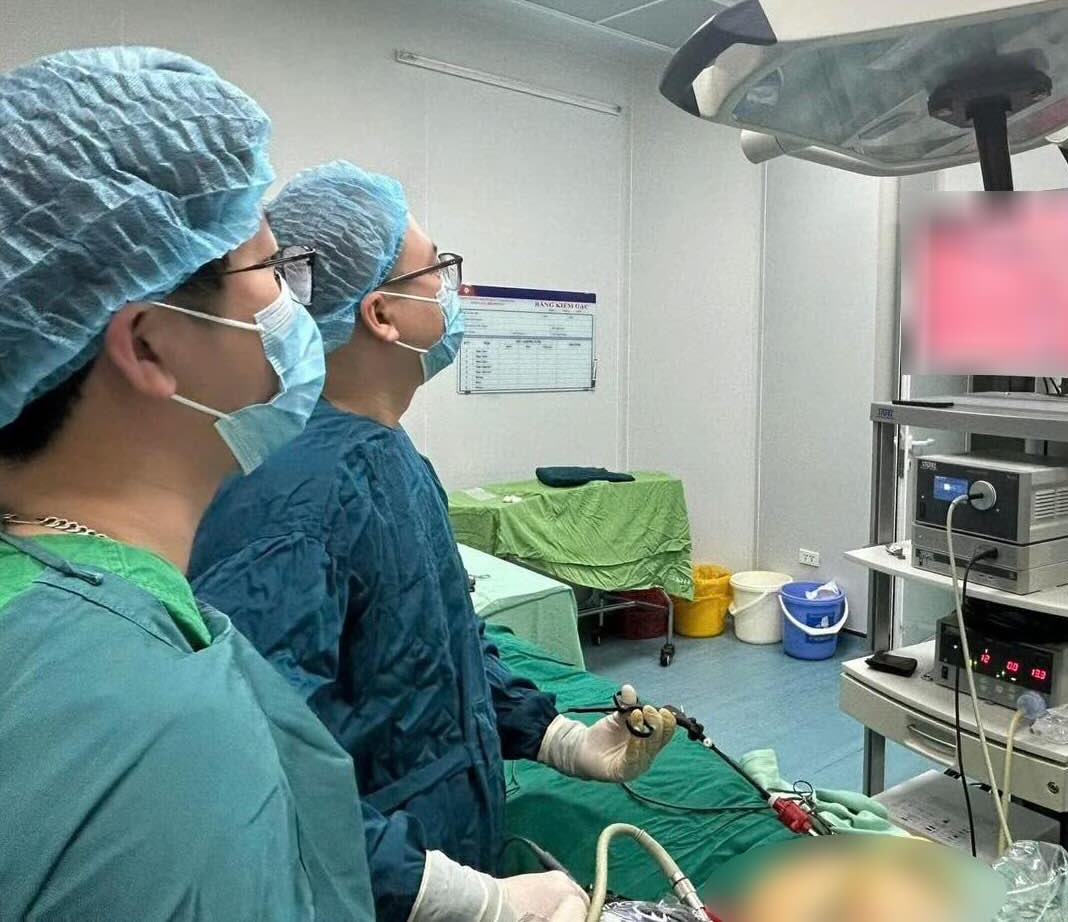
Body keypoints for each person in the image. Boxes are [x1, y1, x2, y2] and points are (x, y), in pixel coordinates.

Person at [189, 160, 677, 922]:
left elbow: (435, 641)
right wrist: (452, 897)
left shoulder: (386, 458)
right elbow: (256, 765)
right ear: (382, 314)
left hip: (438, 828)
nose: (452, 290)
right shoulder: (297, 492)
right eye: (438, 268)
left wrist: (556, 736)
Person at [0, 48, 373, 920]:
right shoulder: (143, 727)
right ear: (150, 345)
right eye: (273, 273)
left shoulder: (47, 602)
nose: (297, 307)